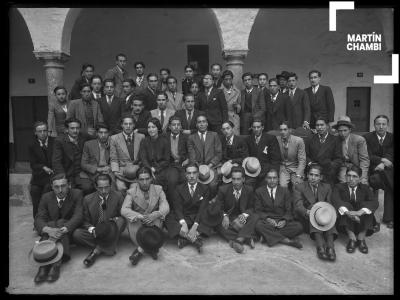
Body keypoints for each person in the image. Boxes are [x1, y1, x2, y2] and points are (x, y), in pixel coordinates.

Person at [33, 173, 83, 283]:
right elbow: (39, 218)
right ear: (52, 187)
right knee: (50, 224)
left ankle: (55, 265)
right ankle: (45, 266)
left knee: (60, 222)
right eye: (56, 187)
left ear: (69, 185)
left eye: (63, 186)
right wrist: (48, 230)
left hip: (69, 231)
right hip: (51, 231)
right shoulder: (46, 197)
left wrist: (65, 228)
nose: (60, 190)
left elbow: (78, 215)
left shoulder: (77, 194)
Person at [73, 173, 126, 267]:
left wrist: (115, 220)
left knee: (121, 221)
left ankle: (97, 250)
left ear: (111, 185)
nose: (104, 191)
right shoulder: (87, 199)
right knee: (77, 234)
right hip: (96, 231)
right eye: (101, 188)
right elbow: (85, 221)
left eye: (107, 187)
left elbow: (123, 215)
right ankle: (108, 247)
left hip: (112, 230)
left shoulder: (118, 196)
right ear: (96, 187)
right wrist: (92, 229)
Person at [202, 166, 259, 253]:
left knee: (255, 217)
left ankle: (238, 240)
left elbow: (252, 207)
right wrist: (225, 216)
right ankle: (248, 238)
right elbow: (219, 207)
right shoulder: (223, 189)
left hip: (242, 218)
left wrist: (244, 215)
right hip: (229, 217)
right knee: (219, 226)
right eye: (234, 179)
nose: (235, 182)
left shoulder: (249, 190)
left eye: (238, 179)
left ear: (243, 179)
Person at [121, 167, 170, 265]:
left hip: (153, 220)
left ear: (152, 178)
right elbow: (124, 210)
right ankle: (153, 248)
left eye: (147, 179)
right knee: (145, 237)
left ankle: (140, 251)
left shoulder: (158, 189)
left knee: (153, 230)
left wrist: (156, 214)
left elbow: (165, 206)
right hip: (139, 222)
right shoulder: (131, 192)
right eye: (141, 179)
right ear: (137, 180)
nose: (144, 182)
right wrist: (139, 216)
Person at [293, 164, 338, 261]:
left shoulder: (326, 187)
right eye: (311, 174)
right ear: (307, 175)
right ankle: (320, 246)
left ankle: (330, 247)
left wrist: (325, 213)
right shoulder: (300, 187)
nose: (313, 178)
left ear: (321, 177)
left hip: (323, 218)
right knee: (313, 209)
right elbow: (298, 205)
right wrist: (307, 212)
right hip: (306, 219)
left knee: (328, 213)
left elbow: (329, 204)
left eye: (316, 175)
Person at [332, 166, 378, 254]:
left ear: (360, 178)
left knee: (367, 206)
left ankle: (361, 238)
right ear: (345, 176)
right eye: (349, 176)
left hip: (362, 222)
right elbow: (335, 200)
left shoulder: (365, 188)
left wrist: (360, 212)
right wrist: (348, 213)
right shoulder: (338, 187)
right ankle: (352, 238)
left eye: (354, 176)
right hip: (345, 223)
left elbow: (374, 202)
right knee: (344, 205)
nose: (351, 179)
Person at [164, 163, 209, 253]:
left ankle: (185, 238)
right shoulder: (178, 188)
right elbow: (177, 208)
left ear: (198, 174)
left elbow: (202, 209)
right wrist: (183, 223)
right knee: (167, 217)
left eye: (194, 173)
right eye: (189, 173)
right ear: (185, 175)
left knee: (211, 213)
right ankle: (194, 239)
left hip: (198, 218)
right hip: (185, 218)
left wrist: (195, 226)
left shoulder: (205, 188)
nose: (191, 176)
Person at [254, 169, 303, 249]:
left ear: (278, 179)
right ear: (266, 179)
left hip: (281, 221)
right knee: (258, 226)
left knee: (299, 227)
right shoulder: (259, 191)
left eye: (274, 178)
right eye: (269, 178)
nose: (272, 180)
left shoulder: (285, 191)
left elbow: (289, 210)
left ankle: (267, 236)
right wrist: (268, 219)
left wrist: (284, 220)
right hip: (267, 222)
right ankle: (286, 241)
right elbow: (258, 210)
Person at [364, 115, 393, 229]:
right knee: (388, 183)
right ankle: (381, 219)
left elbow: (391, 153)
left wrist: (384, 163)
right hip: (374, 171)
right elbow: (368, 155)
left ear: (387, 125)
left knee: (389, 184)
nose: (381, 127)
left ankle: (386, 218)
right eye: (378, 124)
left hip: (387, 170)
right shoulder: (367, 137)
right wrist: (381, 160)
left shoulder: (391, 137)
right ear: (374, 125)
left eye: (383, 124)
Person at [52, 118, 94, 195]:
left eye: (77, 128)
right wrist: (62, 177)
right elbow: (56, 162)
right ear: (67, 129)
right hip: (67, 173)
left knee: (88, 187)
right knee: (68, 191)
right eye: (72, 128)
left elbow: (97, 139)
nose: (75, 131)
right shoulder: (59, 141)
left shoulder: (84, 136)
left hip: (81, 173)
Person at [187, 114, 222, 197]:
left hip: (212, 166)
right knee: (196, 186)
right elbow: (192, 156)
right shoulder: (191, 138)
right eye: (199, 122)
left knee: (212, 185)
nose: (202, 124)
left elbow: (219, 153)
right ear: (196, 124)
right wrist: (199, 167)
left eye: (204, 121)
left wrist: (209, 166)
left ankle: (211, 202)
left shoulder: (214, 135)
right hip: (197, 167)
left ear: (207, 123)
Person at [110, 114, 145, 192]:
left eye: (130, 124)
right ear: (122, 125)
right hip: (121, 171)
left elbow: (143, 156)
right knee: (120, 188)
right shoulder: (114, 138)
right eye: (126, 124)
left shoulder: (141, 137)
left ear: (134, 125)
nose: (128, 126)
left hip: (136, 170)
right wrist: (115, 171)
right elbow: (113, 157)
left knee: (135, 189)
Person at [305, 116, 342, 186]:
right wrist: (310, 164)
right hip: (314, 170)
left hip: (328, 171)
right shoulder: (310, 139)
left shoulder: (335, 140)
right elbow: (306, 155)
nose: (319, 127)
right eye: (317, 125)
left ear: (327, 126)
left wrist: (331, 166)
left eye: (322, 125)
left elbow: (339, 158)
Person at [333, 116, 370, 185]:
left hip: (356, 165)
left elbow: (364, 160)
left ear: (350, 130)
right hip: (342, 165)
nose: (342, 133)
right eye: (340, 131)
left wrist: (363, 176)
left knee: (362, 183)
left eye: (345, 130)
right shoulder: (335, 138)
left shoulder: (359, 140)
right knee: (343, 181)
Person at [29, 121, 54, 219]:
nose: (43, 133)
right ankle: (37, 221)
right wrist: (43, 167)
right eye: (40, 131)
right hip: (39, 176)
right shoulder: (32, 145)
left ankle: (46, 218)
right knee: (34, 192)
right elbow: (33, 164)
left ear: (48, 131)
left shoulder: (54, 142)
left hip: (53, 175)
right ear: (35, 132)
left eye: (45, 130)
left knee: (46, 192)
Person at [245, 118, 281, 188]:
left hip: (266, 171)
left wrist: (273, 173)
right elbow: (246, 157)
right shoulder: (248, 139)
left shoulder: (271, 139)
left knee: (264, 188)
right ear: (251, 128)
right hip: (252, 171)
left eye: (258, 127)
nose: (256, 129)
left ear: (262, 127)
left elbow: (275, 159)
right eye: (254, 127)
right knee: (247, 186)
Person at [164, 116, 190, 206]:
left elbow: (190, 151)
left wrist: (188, 159)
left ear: (181, 126)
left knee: (185, 179)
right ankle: (172, 204)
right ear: (169, 126)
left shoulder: (186, 137)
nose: (176, 127)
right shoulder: (164, 137)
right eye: (173, 125)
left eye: (178, 125)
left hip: (183, 164)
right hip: (170, 165)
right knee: (172, 180)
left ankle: (185, 204)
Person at [139, 118, 170, 190]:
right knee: (147, 179)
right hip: (147, 167)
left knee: (160, 180)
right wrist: (150, 169)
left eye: (153, 127)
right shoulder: (144, 141)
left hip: (161, 168)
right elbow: (143, 158)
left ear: (158, 128)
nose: (151, 129)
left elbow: (166, 160)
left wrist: (155, 169)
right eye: (149, 127)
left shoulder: (165, 141)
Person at [276, 121, 306, 189]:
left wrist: (299, 175)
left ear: (290, 130)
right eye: (281, 130)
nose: (282, 132)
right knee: (282, 187)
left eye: (285, 129)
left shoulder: (299, 141)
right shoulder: (276, 140)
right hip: (283, 168)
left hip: (295, 167)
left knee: (298, 186)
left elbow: (302, 160)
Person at [220, 70, 241, 135]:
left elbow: (240, 105)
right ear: (223, 80)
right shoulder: (219, 90)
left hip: (234, 117)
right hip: (223, 117)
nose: (228, 81)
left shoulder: (237, 91)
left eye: (230, 79)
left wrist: (237, 106)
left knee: (235, 137)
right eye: (226, 79)